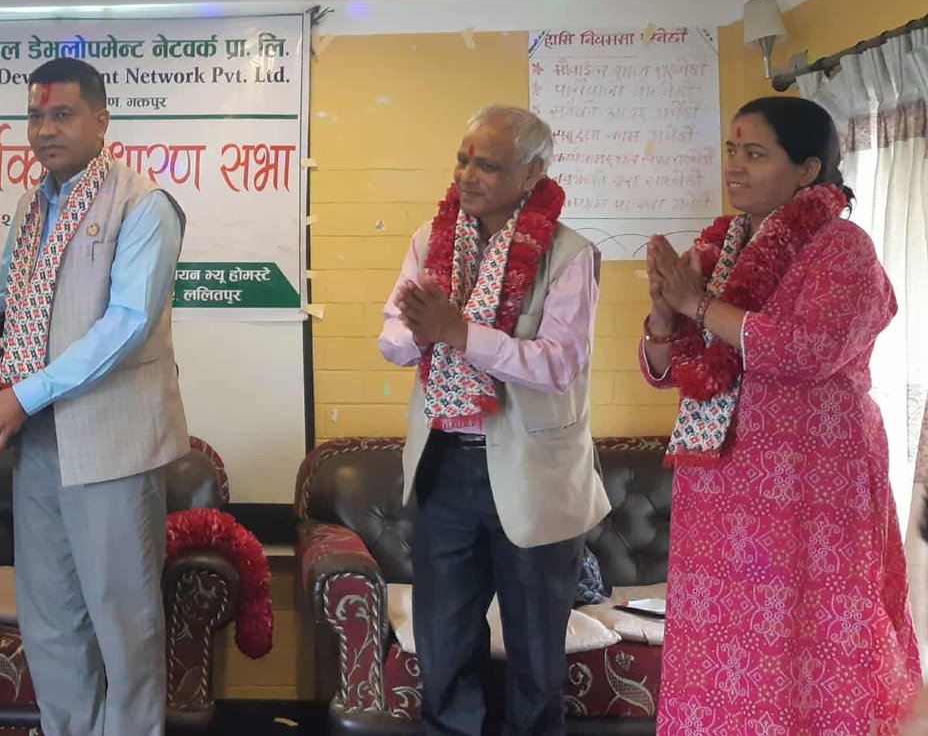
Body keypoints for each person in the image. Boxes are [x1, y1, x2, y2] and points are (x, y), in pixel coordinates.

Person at [642, 95, 920, 733]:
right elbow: (669, 368)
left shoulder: (842, 247)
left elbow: (809, 350)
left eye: (755, 153)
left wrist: (698, 305)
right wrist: (664, 313)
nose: (734, 167)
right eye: (732, 151)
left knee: (810, 631)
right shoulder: (723, 245)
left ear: (807, 170)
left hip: (810, 486)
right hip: (720, 484)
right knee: (723, 635)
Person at [0, 58, 188, 735]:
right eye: (36, 116)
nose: (45, 129)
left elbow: (125, 324)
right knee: (49, 617)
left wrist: (24, 394)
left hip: (112, 445)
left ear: (101, 121)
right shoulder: (32, 206)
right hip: (39, 445)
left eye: (62, 114)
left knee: (125, 623)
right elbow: (29, 295)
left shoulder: (144, 205)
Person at [377, 105, 609, 735]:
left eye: (488, 165)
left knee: (536, 654)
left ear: (532, 174)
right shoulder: (430, 241)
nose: (467, 175)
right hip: (445, 467)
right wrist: (421, 334)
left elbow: (558, 365)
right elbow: (391, 339)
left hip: (535, 475)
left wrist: (460, 333)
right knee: (445, 644)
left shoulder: (569, 254)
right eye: (462, 160)